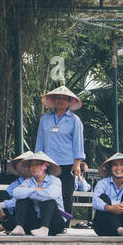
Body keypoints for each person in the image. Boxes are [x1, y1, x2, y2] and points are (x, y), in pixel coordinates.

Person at [34, 85, 88, 217]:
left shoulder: (75, 121)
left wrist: (77, 164)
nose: (61, 101)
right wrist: (37, 160)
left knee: (65, 194)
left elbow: (78, 143)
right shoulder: (45, 119)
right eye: (58, 98)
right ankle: (45, 221)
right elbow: (40, 141)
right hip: (47, 163)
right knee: (44, 192)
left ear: (69, 101)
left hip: (67, 163)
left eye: (64, 99)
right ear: (53, 100)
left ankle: (64, 223)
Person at [0, 150, 66, 237]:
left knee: (48, 200)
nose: (33, 167)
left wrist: (28, 193)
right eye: (31, 165)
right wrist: (35, 189)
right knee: (21, 199)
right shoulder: (28, 181)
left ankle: (44, 228)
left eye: (37, 164)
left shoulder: (54, 180)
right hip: (35, 222)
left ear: (45, 166)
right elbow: (16, 193)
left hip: (54, 222)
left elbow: (51, 194)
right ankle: (19, 227)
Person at [90, 152, 123, 237]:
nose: (118, 168)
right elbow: (95, 201)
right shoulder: (102, 183)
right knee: (103, 197)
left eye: (122, 164)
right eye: (115, 165)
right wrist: (109, 208)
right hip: (104, 226)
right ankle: (120, 231)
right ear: (110, 168)